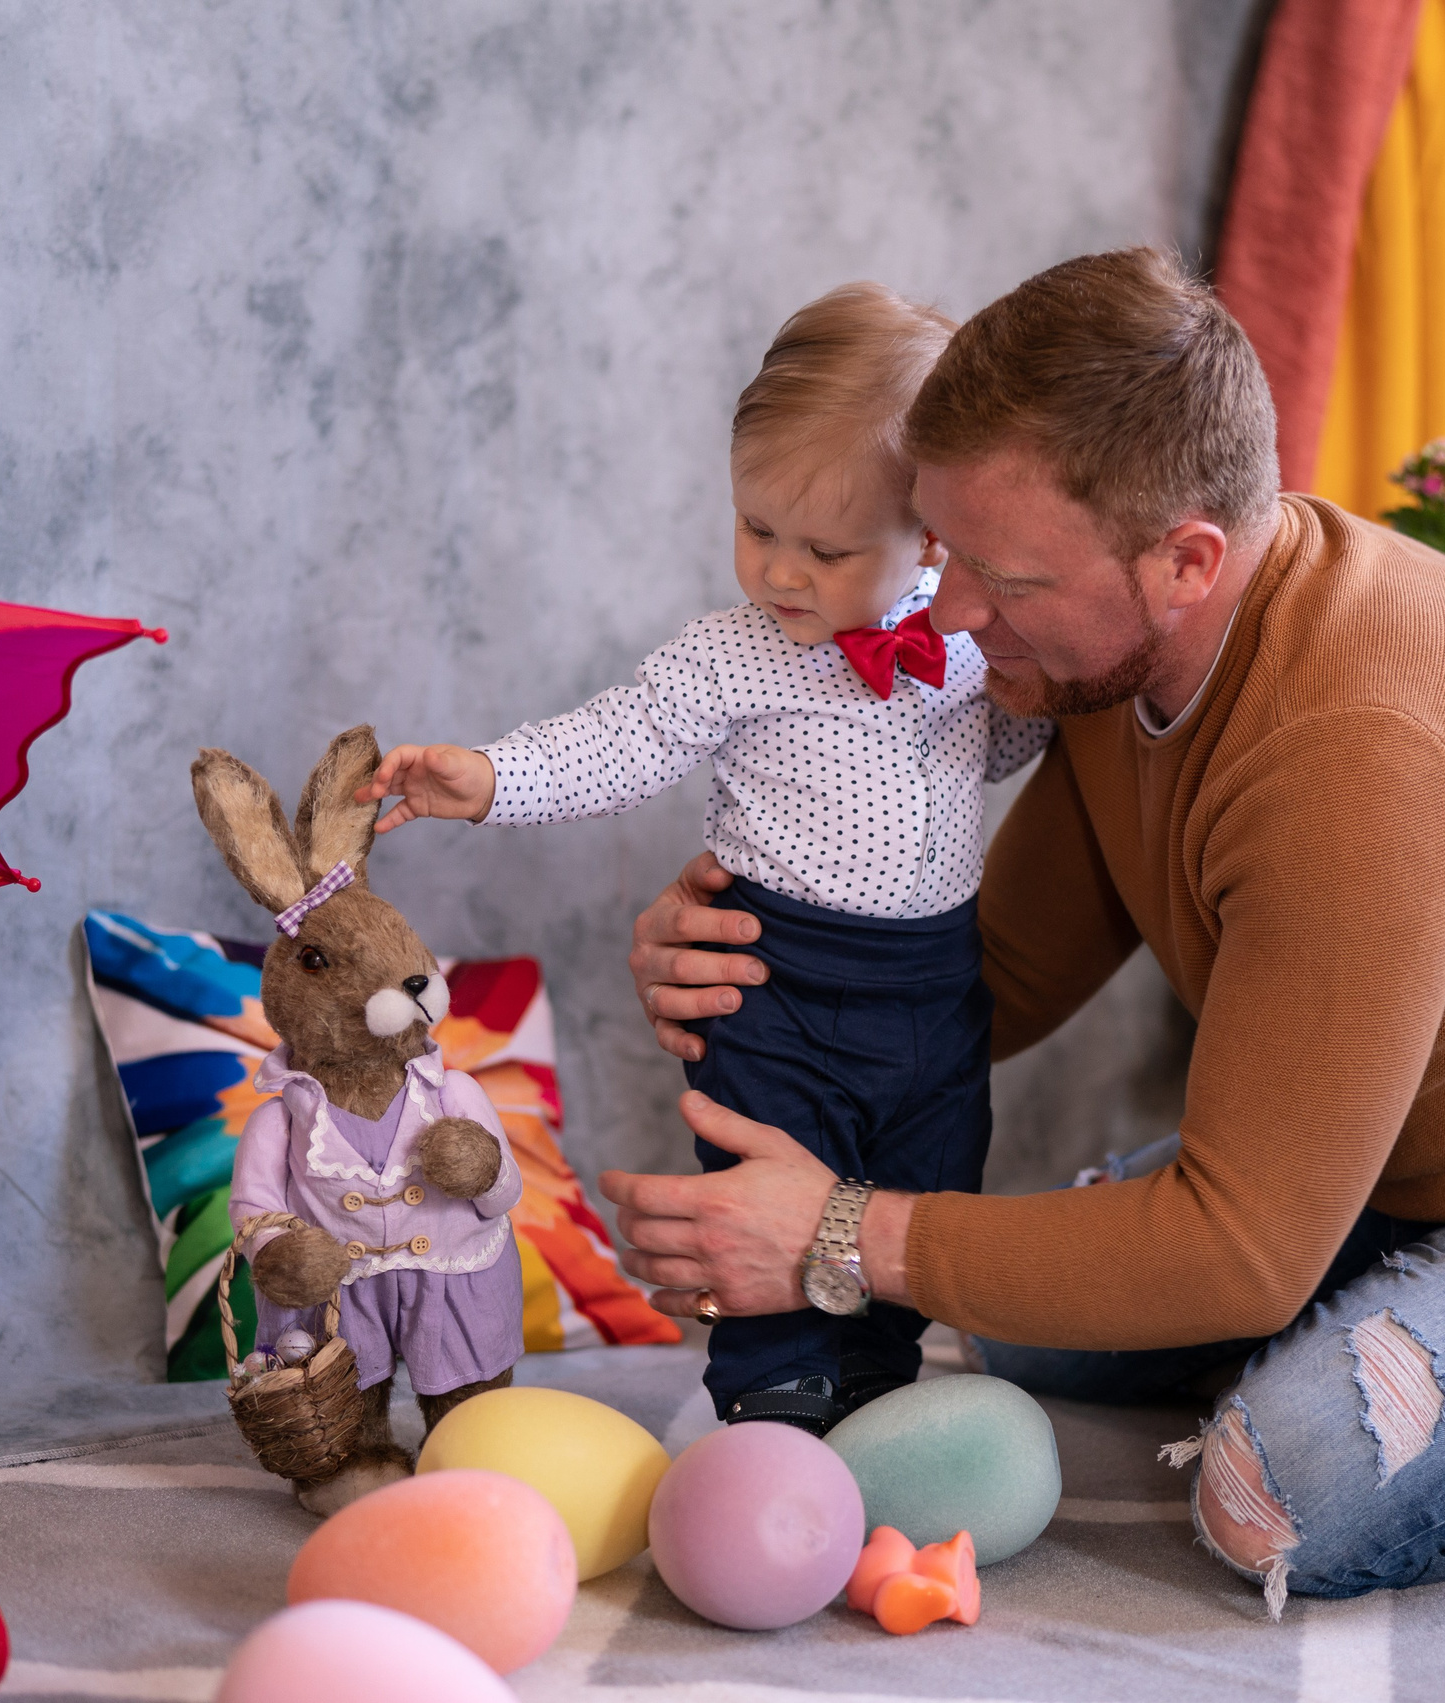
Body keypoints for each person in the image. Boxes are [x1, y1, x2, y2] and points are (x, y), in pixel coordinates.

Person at [599, 248, 1445, 1618]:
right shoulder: (1112, 658)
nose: (950, 613)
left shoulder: (1360, 751)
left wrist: (841, 1230)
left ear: (1186, 560)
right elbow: (993, 976)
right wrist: (763, 956)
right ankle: (1397, 1273)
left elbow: (1244, 1253)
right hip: (1417, 1151)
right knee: (1019, 1318)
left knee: (1276, 1488)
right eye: (943, 549)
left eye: (1002, 577)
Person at [357, 283, 1052, 1435]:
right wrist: (488, 777)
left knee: (920, 1180)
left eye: (825, 549)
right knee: (766, 1172)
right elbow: (620, 739)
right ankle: (775, 1392)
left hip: (935, 987)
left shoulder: (966, 641)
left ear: (932, 535)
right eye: (755, 528)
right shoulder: (733, 656)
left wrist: (1045, 694)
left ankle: (878, 1384)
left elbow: (1000, 750)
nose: (780, 572)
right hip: (776, 987)